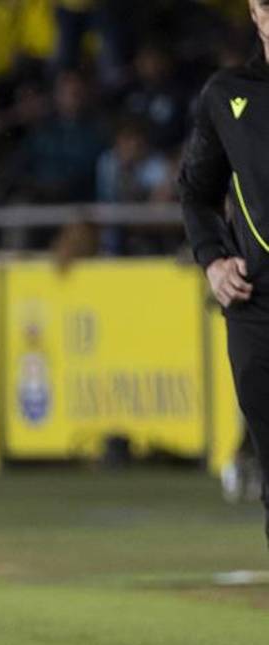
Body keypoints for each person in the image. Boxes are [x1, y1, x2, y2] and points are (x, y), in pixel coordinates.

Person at [179, 0, 269, 550]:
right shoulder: (226, 95)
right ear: (256, 13)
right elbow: (196, 191)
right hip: (257, 304)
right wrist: (212, 258)